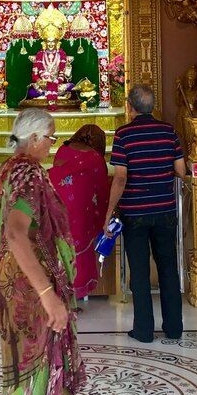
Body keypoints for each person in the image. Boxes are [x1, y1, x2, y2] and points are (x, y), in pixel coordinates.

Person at [0, 108, 86, 395]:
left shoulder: (6, 169)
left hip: (5, 279)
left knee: (20, 365)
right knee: (40, 366)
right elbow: (14, 233)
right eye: (51, 138)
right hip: (27, 284)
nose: (52, 145)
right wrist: (47, 295)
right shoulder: (31, 173)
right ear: (35, 137)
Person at [104, 85, 185, 342]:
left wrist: (108, 212)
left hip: (135, 212)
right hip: (164, 209)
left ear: (130, 107)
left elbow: (120, 177)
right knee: (168, 268)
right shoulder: (168, 131)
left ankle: (144, 330)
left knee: (139, 271)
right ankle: (174, 328)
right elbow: (181, 170)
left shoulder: (124, 134)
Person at [49, 125, 111, 301]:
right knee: (79, 251)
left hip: (58, 204)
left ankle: (58, 292)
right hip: (81, 208)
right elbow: (102, 189)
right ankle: (72, 296)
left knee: (60, 247)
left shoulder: (63, 149)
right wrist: (105, 215)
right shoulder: (95, 157)